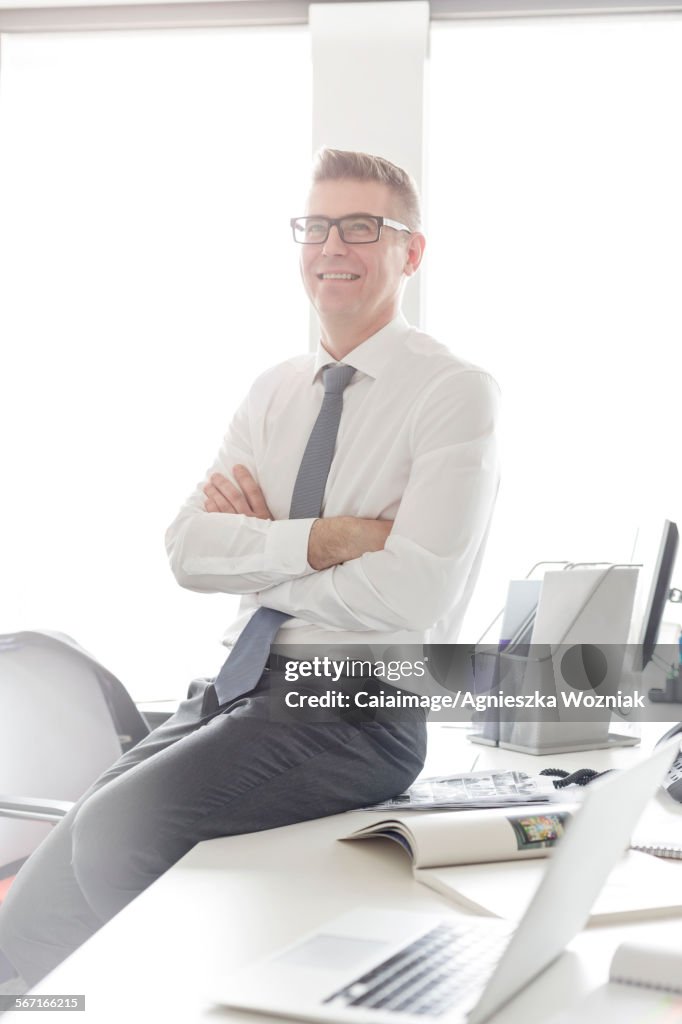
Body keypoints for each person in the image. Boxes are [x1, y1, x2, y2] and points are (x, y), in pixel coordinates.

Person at [0, 148, 500, 992]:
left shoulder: (453, 391)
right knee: (30, 915)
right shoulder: (275, 391)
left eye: (361, 227)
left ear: (409, 252)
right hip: (235, 686)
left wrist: (262, 548)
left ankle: (200, 1002)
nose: (331, 246)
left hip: (354, 707)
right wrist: (330, 538)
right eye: (315, 226)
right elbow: (187, 550)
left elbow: (417, 589)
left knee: (118, 833)